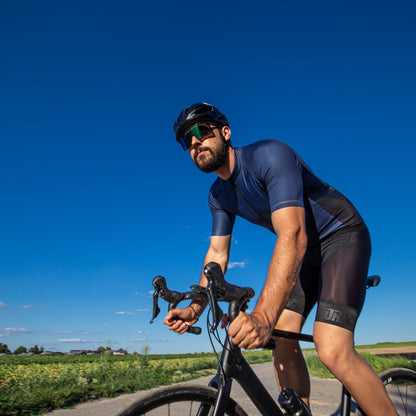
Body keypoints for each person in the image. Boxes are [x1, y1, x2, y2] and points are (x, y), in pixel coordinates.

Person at [164, 103, 396, 415]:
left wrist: (261, 316)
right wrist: (195, 307)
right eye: (185, 141)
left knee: (331, 348)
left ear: (225, 132)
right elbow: (217, 255)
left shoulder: (269, 155)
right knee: (281, 338)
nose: (194, 142)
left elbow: (293, 235)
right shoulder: (217, 195)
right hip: (306, 254)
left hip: (341, 235)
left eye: (200, 131)